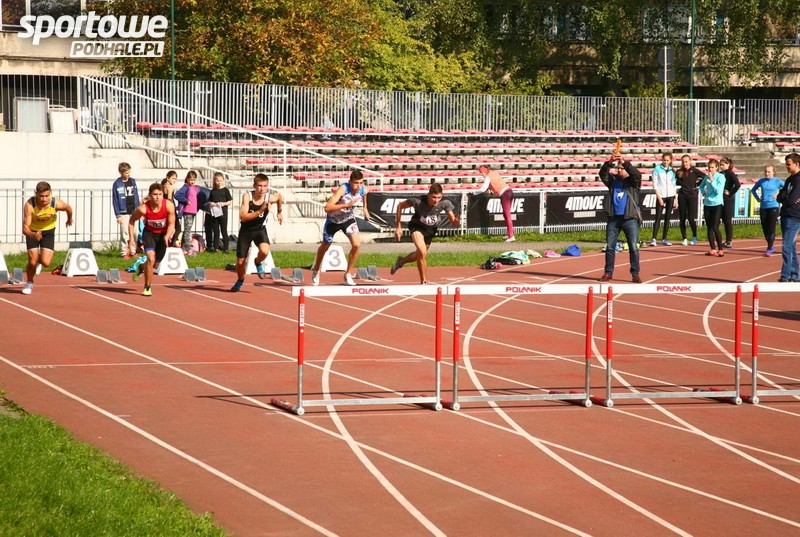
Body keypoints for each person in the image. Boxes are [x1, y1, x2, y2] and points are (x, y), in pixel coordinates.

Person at [310, 170, 371, 286]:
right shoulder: (343, 189)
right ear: (350, 182)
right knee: (325, 246)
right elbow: (327, 208)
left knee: (357, 245)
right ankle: (316, 269)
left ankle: (347, 274)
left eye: (361, 183)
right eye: (356, 183)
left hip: (348, 219)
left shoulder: (363, 189)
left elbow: (365, 192)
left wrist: (365, 208)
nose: (358, 186)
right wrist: (346, 205)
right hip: (333, 220)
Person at [391, 183, 459, 284]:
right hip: (417, 226)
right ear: (428, 195)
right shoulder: (418, 201)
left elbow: (453, 220)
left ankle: (401, 262)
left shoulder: (445, 203)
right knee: (422, 252)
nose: (436, 200)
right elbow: (400, 206)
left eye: (439, 197)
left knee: (418, 255)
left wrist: (456, 221)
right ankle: (424, 281)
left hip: (430, 230)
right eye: (434, 197)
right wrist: (398, 227)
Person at [231, 174, 284, 292]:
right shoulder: (247, 196)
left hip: (259, 229)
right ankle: (240, 279)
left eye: (265, 186)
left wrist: (279, 212)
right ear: (254, 186)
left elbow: (279, 197)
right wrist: (259, 211)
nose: (262, 189)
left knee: (265, 251)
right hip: (246, 230)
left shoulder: (269, 197)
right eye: (259, 186)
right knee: (240, 262)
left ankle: (257, 261)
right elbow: (243, 217)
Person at [20, 181, 73, 295]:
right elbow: (25, 229)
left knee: (46, 262)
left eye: (46, 196)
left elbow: (68, 208)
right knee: (32, 261)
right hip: (33, 231)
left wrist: (69, 219)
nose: (44, 199)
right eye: (41, 196)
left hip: (48, 231)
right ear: (36, 193)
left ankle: (38, 260)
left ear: (50, 193)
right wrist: (33, 235)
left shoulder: (56, 203)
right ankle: (29, 282)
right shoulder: (30, 205)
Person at [598, 153, 643, 282]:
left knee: (633, 247)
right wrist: (609, 163)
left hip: (630, 219)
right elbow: (602, 174)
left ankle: (635, 273)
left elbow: (637, 175)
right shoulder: (613, 181)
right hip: (614, 218)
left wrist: (624, 162)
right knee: (610, 247)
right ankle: (608, 273)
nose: (619, 170)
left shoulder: (633, 182)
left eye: (621, 168)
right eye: (618, 168)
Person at [128, 183, 176, 296]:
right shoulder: (143, 209)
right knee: (151, 258)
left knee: (155, 264)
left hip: (163, 235)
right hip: (149, 234)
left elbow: (171, 224)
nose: (158, 197)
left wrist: (167, 236)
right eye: (155, 194)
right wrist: (131, 239)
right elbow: (131, 221)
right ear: (150, 195)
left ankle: (141, 267)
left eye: (160, 194)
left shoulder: (169, 205)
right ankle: (147, 287)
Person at [474, 164, 515, 242]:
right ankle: (510, 233)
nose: (481, 174)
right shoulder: (495, 173)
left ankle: (511, 236)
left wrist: (474, 192)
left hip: (504, 194)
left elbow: (483, 189)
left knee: (507, 215)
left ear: (484, 171)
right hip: (509, 191)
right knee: (506, 215)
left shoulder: (488, 177)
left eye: (481, 172)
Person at [750, 164, 785, 256]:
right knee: (765, 228)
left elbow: (787, 188)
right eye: (765, 171)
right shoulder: (761, 181)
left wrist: (779, 195)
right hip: (763, 207)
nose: (767, 173)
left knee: (771, 227)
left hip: (773, 206)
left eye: (769, 172)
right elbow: (753, 190)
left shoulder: (777, 181)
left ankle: (769, 248)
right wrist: (758, 198)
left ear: (773, 172)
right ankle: (770, 245)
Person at [173, 170, 210, 253]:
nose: (192, 182)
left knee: (188, 229)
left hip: (193, 211)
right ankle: (187, 247)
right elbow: (177, 195)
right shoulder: (186, 187)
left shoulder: (194, 188)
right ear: (187, 179)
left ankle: (184, 246)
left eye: (194, 180)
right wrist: (186, 201)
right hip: (187, 211)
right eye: (191, 180)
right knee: (187, 230)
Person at [777, 153, 800, 282]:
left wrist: (785, 198)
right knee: (791, 246)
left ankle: (785, 275)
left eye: (789, 164)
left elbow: (791, 199)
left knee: (786, 246)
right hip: (786, 214)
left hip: (794, 216)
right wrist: (785, 198)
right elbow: (780, 197)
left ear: (797, 164)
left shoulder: (799, 180)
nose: (786, 166)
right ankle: (795, 275)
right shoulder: (789, 179)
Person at [675, 154, 707, 246]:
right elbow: (674, 181)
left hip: (692, 196)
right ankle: (684, 238)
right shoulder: (679, 172)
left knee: (691, 218)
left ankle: (694, 236)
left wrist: (697, 184)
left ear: (690, 161)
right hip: (682, 196)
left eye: (686, 162)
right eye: (683, 162)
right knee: (682, 218)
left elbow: (705, 177)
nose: (684, 163)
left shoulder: (694, 170)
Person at [111, 162, 140, 258]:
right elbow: (115, 200)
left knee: (135, 232)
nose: (128, 174)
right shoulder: (117, 184)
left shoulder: (133, 181)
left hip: (134, 211)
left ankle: (133, 251)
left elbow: (136, 196)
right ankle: (124, 252)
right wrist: (118, 215)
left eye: (129, 172)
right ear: (121, 172)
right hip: (123, 212)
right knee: (124, 232)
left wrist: (138, 209)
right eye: (126, 173)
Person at [699, 159, 725, 257]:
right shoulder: (706, 177)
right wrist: (704, 192)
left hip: (717, 204)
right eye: (709, 167)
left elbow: (718, 191)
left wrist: (712, 180)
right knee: (709, 227)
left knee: (715, 227)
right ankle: (712, 248)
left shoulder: (721, 177)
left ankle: (720, 249)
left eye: (712, 167)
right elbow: (701, 186)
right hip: (707, 204)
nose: (710, 169)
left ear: (717, 168)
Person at [650, 152, 677, 246]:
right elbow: (655, 184)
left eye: (667, 160)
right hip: (661, 195)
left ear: (670, 160)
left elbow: (673, 184)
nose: (665, 162)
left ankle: (664, 238)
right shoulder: (657, 169)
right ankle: (654, 238)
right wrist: (659, 198)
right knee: (658, 217)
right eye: (664, 160)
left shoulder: (672, 170)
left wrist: (675, 199)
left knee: (667, 218)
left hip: (670, 195)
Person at [204, 172, 233, 253]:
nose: (219, 182)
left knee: (224, 231)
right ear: (214, 181)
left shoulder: (225, 190)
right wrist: (211, 203)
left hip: (223, 214)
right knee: (216, 231)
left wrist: (224, 203)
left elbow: (230, 201)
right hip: (215, 214)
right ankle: (215, 248)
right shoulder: (213, 191)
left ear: (223, 180)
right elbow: (209, 201)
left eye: (220, 180)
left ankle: (226, 248)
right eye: (217, 181)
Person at [718, 157, 741, 248]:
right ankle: (719, 239)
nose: (721, 166)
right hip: (720, 199)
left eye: (723, 165)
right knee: (717, 220)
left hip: (728, 200)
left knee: (727, 220)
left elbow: (737, 184)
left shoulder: (730, 173)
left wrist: (730, 193)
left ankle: (729, 240)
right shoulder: (720, 174)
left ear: (728, 164)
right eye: (720, 165)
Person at [161, 170, 181, 247]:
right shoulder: (169, 186)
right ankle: (170, 245)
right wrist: (172, 208)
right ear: (167, 178)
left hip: (164, 209)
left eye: (175, 179)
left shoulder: (163, 186)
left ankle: (164, 245)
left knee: (166, 228)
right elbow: (169, 199)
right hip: (169, 210)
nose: (174, 180)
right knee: (178, 228)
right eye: (173, 178)